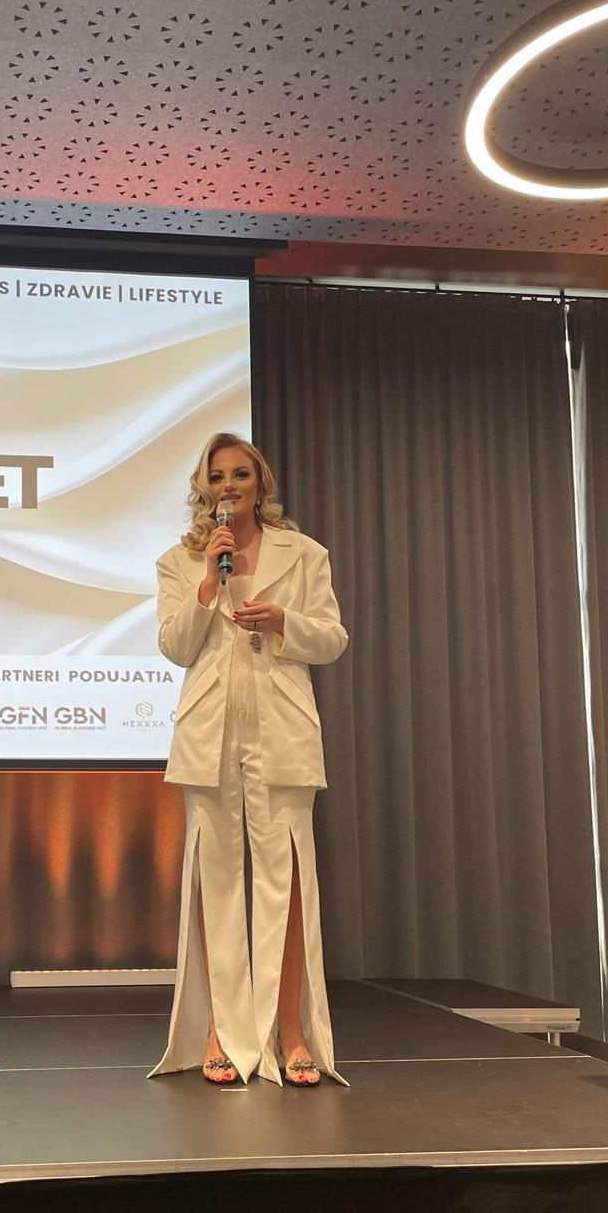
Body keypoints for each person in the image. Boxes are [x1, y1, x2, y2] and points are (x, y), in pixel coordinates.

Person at [149, 433, 348, 1088]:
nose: (228, 486)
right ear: (204, 489)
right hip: (210, 731)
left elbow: (332, 639)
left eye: (239, 474)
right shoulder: (181, 560)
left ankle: (290, 1028)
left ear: (260, 482)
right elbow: (176, 646)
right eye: (217, 477)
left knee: (285, 878)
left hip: (282, 728)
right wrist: (210, 582)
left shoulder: (305, 553)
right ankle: (220, 1028)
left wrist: (283, 620)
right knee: (216, 879)